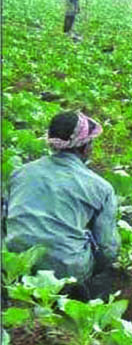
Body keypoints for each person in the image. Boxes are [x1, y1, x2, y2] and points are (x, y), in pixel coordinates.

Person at [4, 112, 120, 300]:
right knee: (104, 278)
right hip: (65, 270)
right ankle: (83, 305)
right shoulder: (101, 187)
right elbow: (107, 248)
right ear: (85, 148)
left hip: (15, 263)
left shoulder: (20, 174)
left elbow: (4, 223)